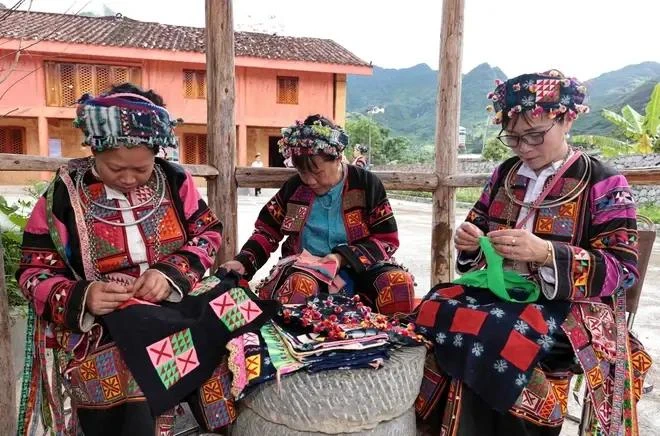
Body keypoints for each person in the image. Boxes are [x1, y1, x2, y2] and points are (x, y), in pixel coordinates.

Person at [414, 70, 652, 435]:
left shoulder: (602, 180)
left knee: (496, 334)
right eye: (513, 138)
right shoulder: (506, 175)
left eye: (535, 135)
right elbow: (476, 237)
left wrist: (546, 254)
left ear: (567, 119)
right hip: (499, 295)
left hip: (570, 308)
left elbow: (622, 267)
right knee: (432, 307)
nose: (524, 147)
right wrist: (470, 243)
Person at [16, 84, 224, 435]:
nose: (128, 178)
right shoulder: (64, 196)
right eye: (115, 168)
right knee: (134, 364)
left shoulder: (174, 180)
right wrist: (85, 296)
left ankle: (218, 424)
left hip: (175, 300)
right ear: (94, 151)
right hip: (108, 322)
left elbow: (208, 234)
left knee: (236, 315)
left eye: (141, 170)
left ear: (156, 155)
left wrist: (170, 273)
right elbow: (33, 272)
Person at [221, 114, 415, 316]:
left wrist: (342, 257)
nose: (310, 180)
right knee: (299, 286)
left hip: (362, 267)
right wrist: (243, 261)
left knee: (397, 283)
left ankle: (394, 344)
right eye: (303, 172)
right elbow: (266, 232)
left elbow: (387, 240)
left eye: (317, 172)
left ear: (338, 158)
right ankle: (297, 346)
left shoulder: (366, 184)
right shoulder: (294, 188)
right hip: (307, 269)